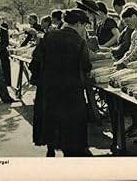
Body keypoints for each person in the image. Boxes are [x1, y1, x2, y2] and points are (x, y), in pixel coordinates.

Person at [32, 8, 92, 157]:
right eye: (84, 26)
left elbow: (35, 61)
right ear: (78, 24)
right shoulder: (79, 42)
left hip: (49, 89)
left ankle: (51, 148)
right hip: (71, 92)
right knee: (70, 126)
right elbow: (85, 66)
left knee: (51, 120)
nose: (84, 29)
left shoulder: (48, 36)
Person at [0, 15, 11, 87]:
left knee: (5, 69)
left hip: (3, 53)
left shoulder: (4, 30)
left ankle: (6, 84)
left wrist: (0, 49)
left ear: (1, 22)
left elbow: (6, 42)